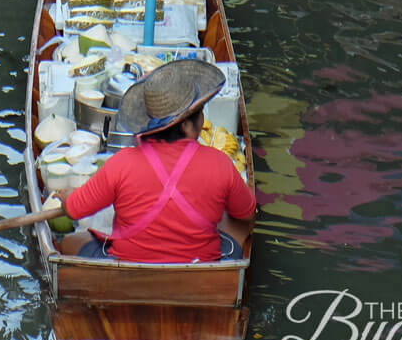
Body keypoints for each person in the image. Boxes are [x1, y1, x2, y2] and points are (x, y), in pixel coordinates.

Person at [56, 60, 256, 264]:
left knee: (71, 240)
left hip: (128, 269)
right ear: (187, 125)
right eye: (200, 113)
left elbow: (74, 209)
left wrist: (67, 197)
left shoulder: (121, 163)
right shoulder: (220, 163)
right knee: (235, 222)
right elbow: (247, 213)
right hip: (199, 269)